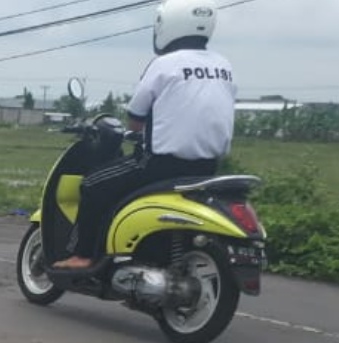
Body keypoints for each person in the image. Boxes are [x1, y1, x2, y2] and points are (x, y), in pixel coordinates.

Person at [52, 0, 238, 270]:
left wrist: (138, 131)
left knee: (93, 185)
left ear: (168, 26)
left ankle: (83, 255)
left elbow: (136, 118)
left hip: (160, 165)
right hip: (207, 168)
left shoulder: (165, 64)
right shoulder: (224, 65)